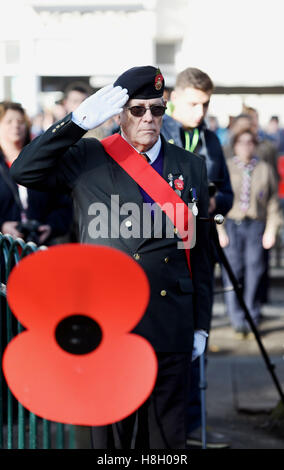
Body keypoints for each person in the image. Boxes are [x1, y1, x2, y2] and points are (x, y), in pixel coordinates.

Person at [10, 66, 212, 450]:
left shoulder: (190, 167)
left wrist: (200, 323)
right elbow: (25, 169)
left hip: (168, 322)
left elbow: (199, 254)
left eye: (157, 109)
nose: (149, 119)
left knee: (165, 444)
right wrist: (76, 123)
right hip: (106, 327)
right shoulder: (88, 156)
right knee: (107, 442)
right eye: (137, 110)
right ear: (119, 113)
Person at [161, 67, 233, 449]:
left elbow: (229, 196)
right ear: (175, 97)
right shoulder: (158, 132)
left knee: (198, 339)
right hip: (164, 254)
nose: (200, 112)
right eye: (194, 104)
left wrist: (212, 202)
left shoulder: (210, 139)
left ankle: (191, 425)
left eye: (205, 105)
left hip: (200, 248)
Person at [217, 128, 283, 337]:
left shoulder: (264, 169)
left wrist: (271, 229)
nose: (246, 146)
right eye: (242, 142)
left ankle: (252, 317)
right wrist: (219, 230)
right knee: (233, 273)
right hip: (232, 226)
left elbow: (274, 202)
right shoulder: (226, 168)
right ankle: (237, 318)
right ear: (235, 145)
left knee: (255, 272)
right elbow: (217, 200)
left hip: (256, 225)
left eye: (250, 142)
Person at [0, 101, 73, 246]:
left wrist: (50, 227)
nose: (16, 125)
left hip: (39, 247)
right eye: (9, 121)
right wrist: (2, 226)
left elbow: (63, 205)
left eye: (20, 121)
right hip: (4, 253)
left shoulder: (42, 163)